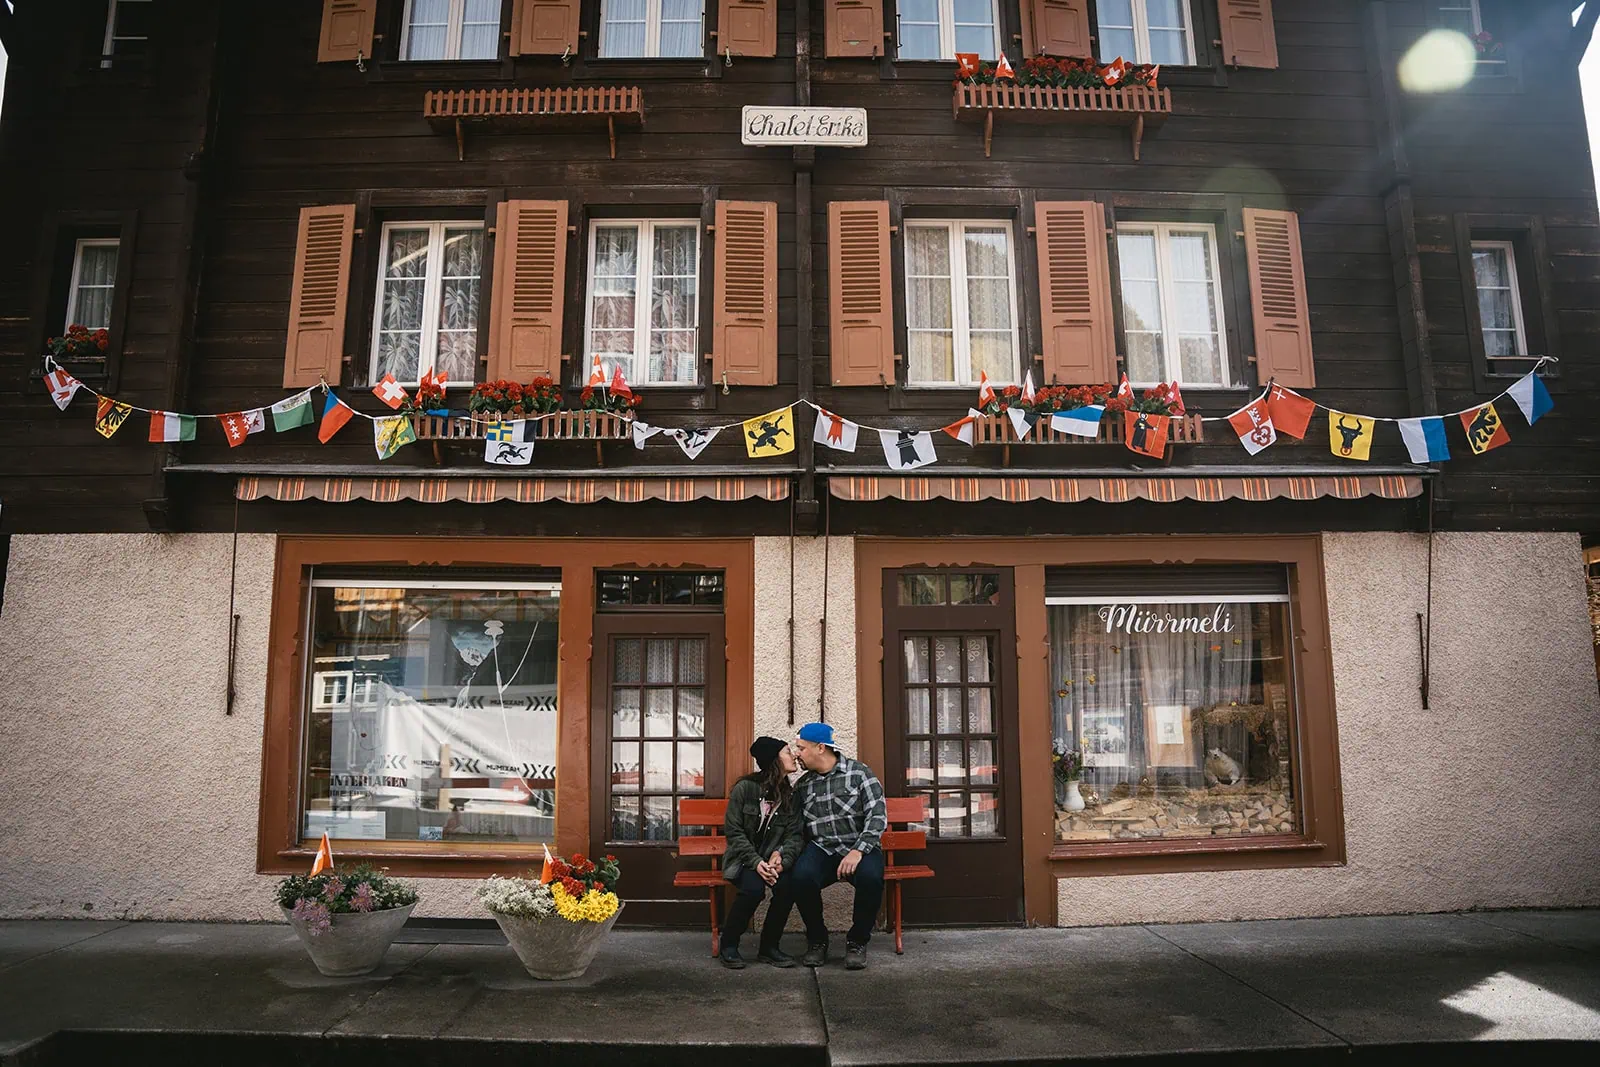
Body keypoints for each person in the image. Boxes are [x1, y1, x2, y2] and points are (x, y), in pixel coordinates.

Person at [790, 722, 887, 970]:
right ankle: (817, 940)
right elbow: (796, 828)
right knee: (800, 877)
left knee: (871, 877)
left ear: (820, 747)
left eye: (801, 747)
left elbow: (877, 816)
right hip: (822, 849)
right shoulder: (803, 785)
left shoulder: (859, 774)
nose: (797, 753)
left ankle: (857, 941)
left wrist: (858, 850)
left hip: (858, 846)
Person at [717, 736, 805, 969]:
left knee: (788, 887)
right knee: (753, 890)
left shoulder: (790, 796)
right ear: (774, 759)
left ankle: (769, 947)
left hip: (771, 862)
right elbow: (734, 832)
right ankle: (729, 944)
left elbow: (795, 835)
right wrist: (756, 862)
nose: (795, 755)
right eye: (788, 751)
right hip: (743, 860)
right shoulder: (745, 789)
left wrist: (780, 857)